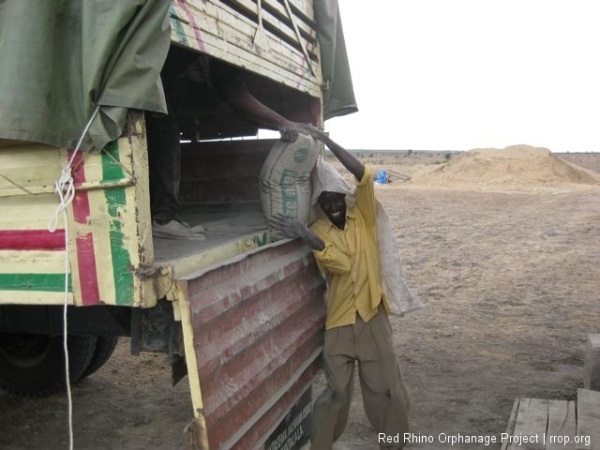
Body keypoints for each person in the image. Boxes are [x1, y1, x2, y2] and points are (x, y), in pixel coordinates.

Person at [270, 130, 411, 450]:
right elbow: (340, 265)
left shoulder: (363, 214)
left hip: (373, 316)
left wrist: (327, 140)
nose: (332, 204)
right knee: (336, 394)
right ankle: (320, 445)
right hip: (339, 321)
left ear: (343, 196)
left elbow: (362, 174)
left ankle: (395, 443)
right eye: (325, 200)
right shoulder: (318, 229)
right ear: (319, 204)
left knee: (387, 388)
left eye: (336, 197)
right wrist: (306, 236)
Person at [147, 48, 303, 240]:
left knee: (165, 131)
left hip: (158, 75)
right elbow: (235, 94)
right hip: (153, 76)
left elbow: (241, 105)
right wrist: (282, 122)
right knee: (165, 131)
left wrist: (282, 123)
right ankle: (164, 219)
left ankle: (166, 216)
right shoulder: (226, 45)